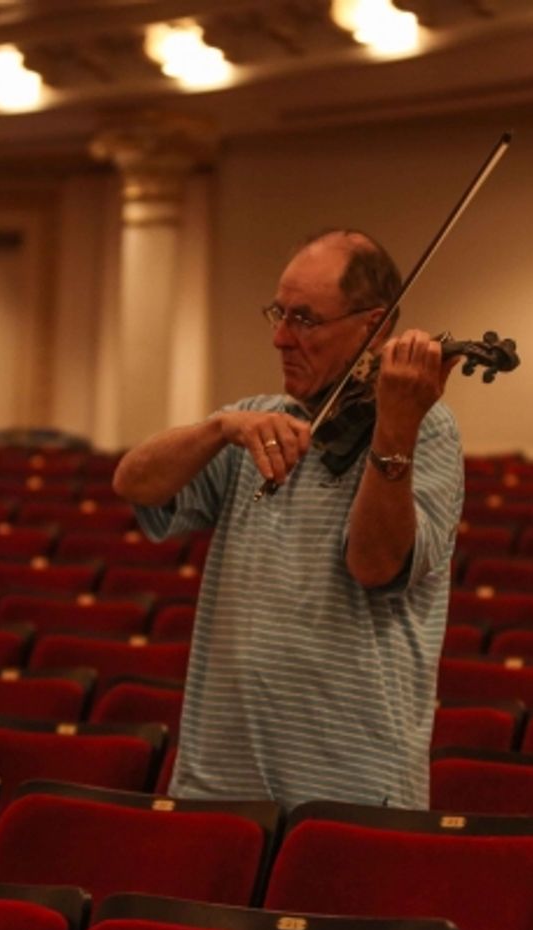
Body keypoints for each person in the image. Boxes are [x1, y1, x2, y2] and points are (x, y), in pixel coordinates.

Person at [112, 229, 464, 810]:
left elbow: (375, 564)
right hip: (220, 782)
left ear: (374, 327)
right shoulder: (254, 422)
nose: (280, 338)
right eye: (279, 313)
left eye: (304, 320)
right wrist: (217, 428)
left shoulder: (427, 429)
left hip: (350, 786)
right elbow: (133, 481)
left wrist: (396, 424)